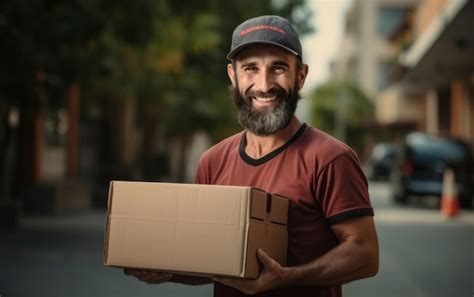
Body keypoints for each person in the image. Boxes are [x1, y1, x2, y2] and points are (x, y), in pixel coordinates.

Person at [125, 15, 379, 297]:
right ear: (233, 76)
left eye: (279, 68)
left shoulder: (331, 158)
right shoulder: (213, 161)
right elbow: (215, 261)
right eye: (250, 68)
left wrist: (287, 278)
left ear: (301, 75)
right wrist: (168, 270)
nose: (264, 84)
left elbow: (365, 254)